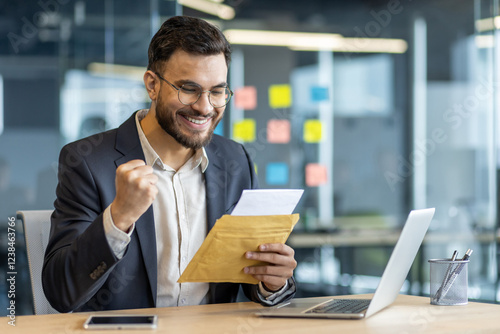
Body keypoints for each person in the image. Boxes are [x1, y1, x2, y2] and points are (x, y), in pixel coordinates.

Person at [42, 16, 297, 313]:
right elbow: (61, 292)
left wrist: (272, 282)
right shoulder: (88, 162)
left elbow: (250, 273)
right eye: (188, 89)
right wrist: (119, 217)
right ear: (152, 85)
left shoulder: (235, 161)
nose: (205, 107)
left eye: (217, 91)